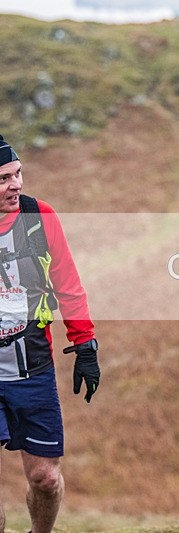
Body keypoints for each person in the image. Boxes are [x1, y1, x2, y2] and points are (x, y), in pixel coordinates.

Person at [0, 135, 100, 533]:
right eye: (5, 178)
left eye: (19, 173)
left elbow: (69, 285)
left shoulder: (40, 217)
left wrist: (85, 346)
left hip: (32, 366)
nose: (17, 184)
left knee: (44, 479)